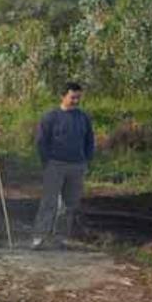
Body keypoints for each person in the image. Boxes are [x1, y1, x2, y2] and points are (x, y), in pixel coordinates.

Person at [32, 81, 95, 249]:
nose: (76, 101)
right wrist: (47, 162)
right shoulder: (50, 116)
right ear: (63, 96)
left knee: (69, 205)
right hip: (55, 165)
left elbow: (89, 140)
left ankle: (60, 238)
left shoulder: (83, 117)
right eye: (73, 97)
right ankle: (40, 237)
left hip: (77, 166)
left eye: (78, 98)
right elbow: (41, 141)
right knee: (49, 203)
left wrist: (87, 160)